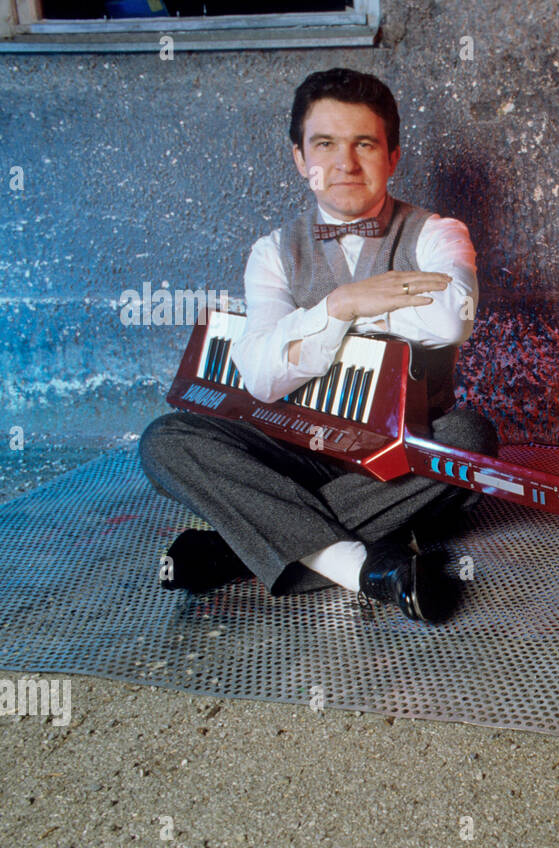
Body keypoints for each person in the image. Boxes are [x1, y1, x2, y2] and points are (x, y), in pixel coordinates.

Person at [140, 68, 496, 622]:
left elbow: (451, 320)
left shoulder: (438, 233)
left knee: (471, 440)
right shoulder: (272, 252)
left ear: (393, 157)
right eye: (325, 145)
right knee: (166, 440)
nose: (345, 164)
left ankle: (239, 547)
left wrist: (303, 330)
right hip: (292, 454)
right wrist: (342, 305)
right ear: (300, 160)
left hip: (400, 454)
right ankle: (364, 568)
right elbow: (261, 376)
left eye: (365, 144)